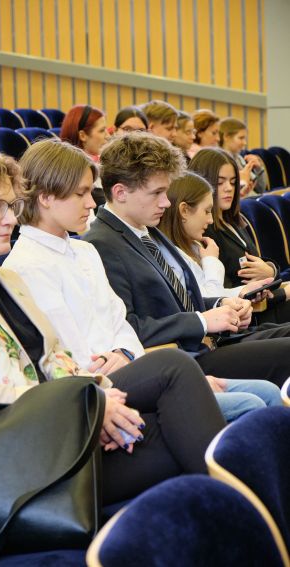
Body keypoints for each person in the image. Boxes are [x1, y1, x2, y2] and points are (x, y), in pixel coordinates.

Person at [0, 147, 227, 505]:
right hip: (6, 461)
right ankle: (241, 514)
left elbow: (55, 358)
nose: (10, 219)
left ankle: (234, 514)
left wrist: (104, 400)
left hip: (57, 432)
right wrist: (87, 403)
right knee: (181, 411)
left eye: (11, 206)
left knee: (178, 428)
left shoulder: (5, 279)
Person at [4, 138, 281, 420]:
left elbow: (119, 322)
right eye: (81, 193)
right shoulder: (37, 263)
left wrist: (126, 351)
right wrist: (195, 330)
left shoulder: (87, 249)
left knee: (266, 392)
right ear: (46, 198)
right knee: (251, 398)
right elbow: (74, 352)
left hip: (144, 361)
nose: (91, 202)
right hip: (114, 379)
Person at [83, 132, 290, 387]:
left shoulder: (146, 229)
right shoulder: (101, 243)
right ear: (120, 192)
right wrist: (203, 320)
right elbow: (129, 326)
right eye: (157, 193)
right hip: (182, 358)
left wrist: (223, 303)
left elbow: (179, 299)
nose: (166, 202)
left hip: (207, 341)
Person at [189, 147, 290, 324]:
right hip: (251, 316)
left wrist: (270, 269)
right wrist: (283, 293)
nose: (228, 188)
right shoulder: (205, 231)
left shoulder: (234, 221)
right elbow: (224, 291)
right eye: (220, 183)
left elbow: (256, 260)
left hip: (264, 302)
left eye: (233, 182)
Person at [159, 171, 278, 300]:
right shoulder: (167, 255)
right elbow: (210, 303)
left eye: (233, 182)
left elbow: (215, 294)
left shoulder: (193, 245)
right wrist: (211, 261)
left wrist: (243, 291)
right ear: (184, 210)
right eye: (206, 211)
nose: (210, 220)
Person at [219, 117, 266, 196]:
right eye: (241, 138)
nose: (244, 143)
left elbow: (260, 189)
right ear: (226, 137)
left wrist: (258, 168)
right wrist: (242, 181)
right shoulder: (220, 160)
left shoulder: (239, 158)